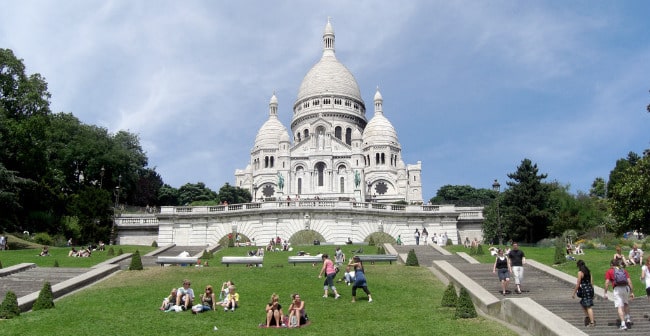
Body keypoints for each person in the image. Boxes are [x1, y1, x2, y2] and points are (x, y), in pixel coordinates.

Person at [604, 259, 634, 330]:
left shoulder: (609, 271)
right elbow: (629, 282)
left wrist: (605, 292)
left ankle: (623, 324)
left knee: (620, 306)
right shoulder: (623, 270)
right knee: (626, 303)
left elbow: (607, 283)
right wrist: (632, 292)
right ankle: (628, 319)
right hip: (626, 288)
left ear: (611, 264)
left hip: (617, 289)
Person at [572, 260, 595, 327]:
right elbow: (592, 282)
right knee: (582, 303)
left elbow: (578, 283)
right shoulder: (588, 272)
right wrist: (592, 292)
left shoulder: (580, 273)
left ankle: (592, 322)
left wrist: (574, 292)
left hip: (584, 290)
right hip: (589, 289)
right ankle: (588, 317)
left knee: (588, 306)